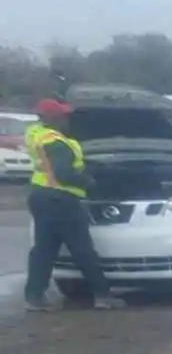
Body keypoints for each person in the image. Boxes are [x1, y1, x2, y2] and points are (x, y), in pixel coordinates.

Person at [23, 98, 124, 311]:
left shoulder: (36, 135)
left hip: (40, 196)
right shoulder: (60, 143)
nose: (67, 119)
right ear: (54, 118)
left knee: (44, 249)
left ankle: (34, 296)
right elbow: (64, 173)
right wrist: (89, 182)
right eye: (63, 115)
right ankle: (103, 295)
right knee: (82, 249)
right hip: (61, 200)